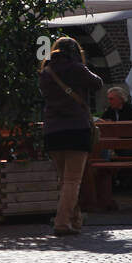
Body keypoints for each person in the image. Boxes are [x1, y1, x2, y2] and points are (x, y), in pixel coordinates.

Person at [38, 37, 103, 237]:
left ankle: (75, 220)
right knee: (73, 180)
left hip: (52, 131)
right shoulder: (76, 68)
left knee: (64, 180)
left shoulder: (46, 72)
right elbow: (98, 83)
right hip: (76, 128)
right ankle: (62, 222)